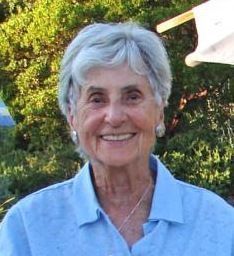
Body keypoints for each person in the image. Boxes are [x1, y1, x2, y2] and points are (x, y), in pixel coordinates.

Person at [0, 22, 233, 256]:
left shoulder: (218, 224)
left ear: (160, 110)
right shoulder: (27, 230)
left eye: (132, 96)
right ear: (72, 115)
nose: (114, 117)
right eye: (96, 99)